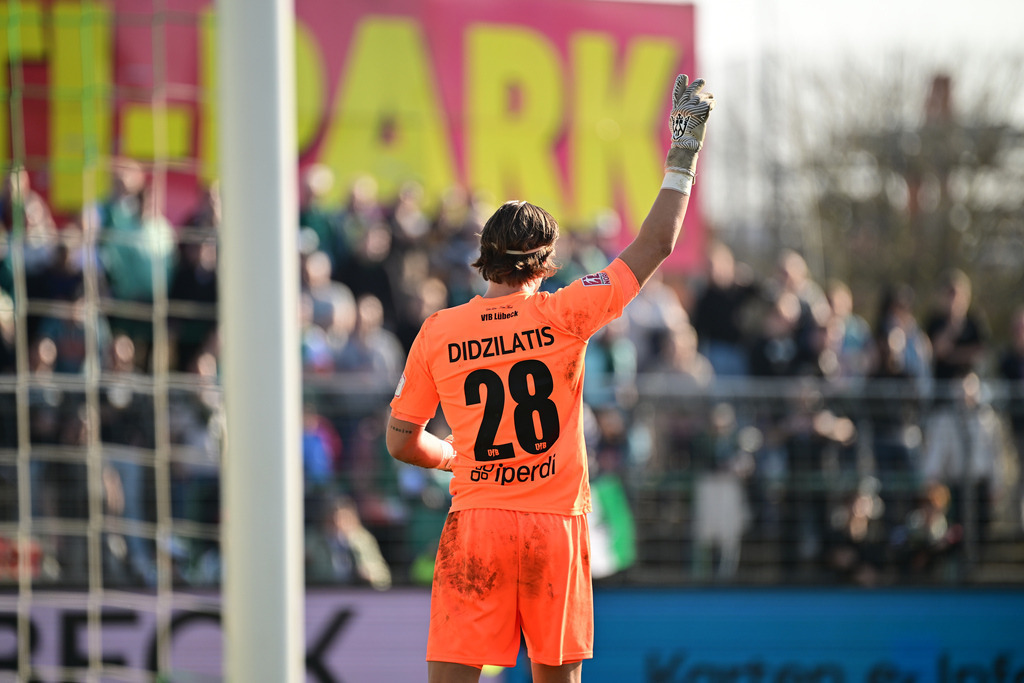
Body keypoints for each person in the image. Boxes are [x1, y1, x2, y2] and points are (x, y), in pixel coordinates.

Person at [386, 74, 714, 683]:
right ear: (546, 261)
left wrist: (451, 457)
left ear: (483, 256)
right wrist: (684, 148)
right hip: (554, 529)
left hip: (477, 525)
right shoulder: (567, 312)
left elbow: (401, 441)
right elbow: (657, 243)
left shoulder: (439, 331)